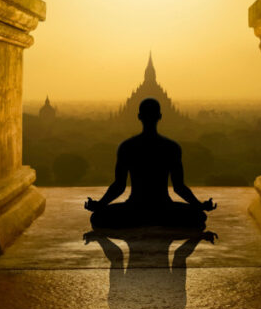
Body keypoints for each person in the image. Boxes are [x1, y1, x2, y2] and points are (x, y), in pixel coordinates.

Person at [84, 98, 217, 229]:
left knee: (98, 217)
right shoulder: (171, 147)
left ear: (139, 116)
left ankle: (139, 221)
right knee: (199, 216)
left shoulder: (127, 146)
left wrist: (99, 205)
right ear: (159, 116)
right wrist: (199, 206)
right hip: (164, 209)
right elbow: (179, 187)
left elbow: (119, 186)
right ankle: (159, 221)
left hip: (135, 209)